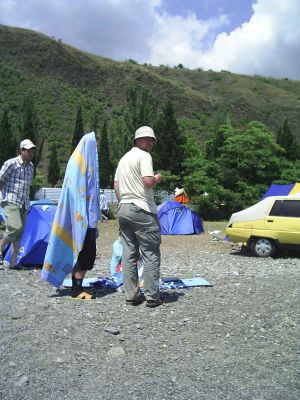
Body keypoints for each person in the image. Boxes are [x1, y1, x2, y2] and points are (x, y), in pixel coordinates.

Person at [41, 132, 101, 300]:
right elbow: (76, 191)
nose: (96, 150)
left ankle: (76, 286)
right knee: (86, 253)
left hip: (83, 215)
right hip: (82, 217)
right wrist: (82, 215)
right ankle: (76, 289)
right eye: (94, 146)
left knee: (82, 252)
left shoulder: (80, 163)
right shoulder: (80, 165)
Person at [114, 126, 163, 308]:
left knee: (129, 253)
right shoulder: (145, 156)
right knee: (150, 252)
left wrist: (124, 203)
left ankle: (131, 295)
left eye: (152, 140)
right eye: (146, 139)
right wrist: (158, 177)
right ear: (137, 141)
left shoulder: (123, 159)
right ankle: (152, 296)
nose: (150, 142)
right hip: (142, 208)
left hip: (124, 207)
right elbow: (148, 182)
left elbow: (116, 185)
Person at [0, 139, 36, 269]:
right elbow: (1, 180)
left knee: (19, 233)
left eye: (32, 150)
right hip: (10, 200)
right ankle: (0, 248)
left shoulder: (31, 166)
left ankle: (13, 263)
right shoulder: (11, 163)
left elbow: (27, 185)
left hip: (24, 202)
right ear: (21, 150)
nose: (31, 153)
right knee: (15, 227)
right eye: (28, 150)